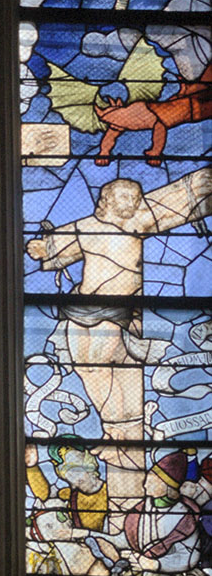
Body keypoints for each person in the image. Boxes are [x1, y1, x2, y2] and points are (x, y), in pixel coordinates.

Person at [26, 170, 212, 500]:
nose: (132, 202)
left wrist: (201, 186)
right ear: (109, 201)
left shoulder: (140, 220)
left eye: (134, 198)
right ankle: (116, 437)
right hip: (88, 314)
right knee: (94, 372)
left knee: (119, 390)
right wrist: (41, 247)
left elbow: (178, 200)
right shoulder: (87, 227)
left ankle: (122, 446)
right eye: (123, 197)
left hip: (122, 314)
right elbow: (49, 249)